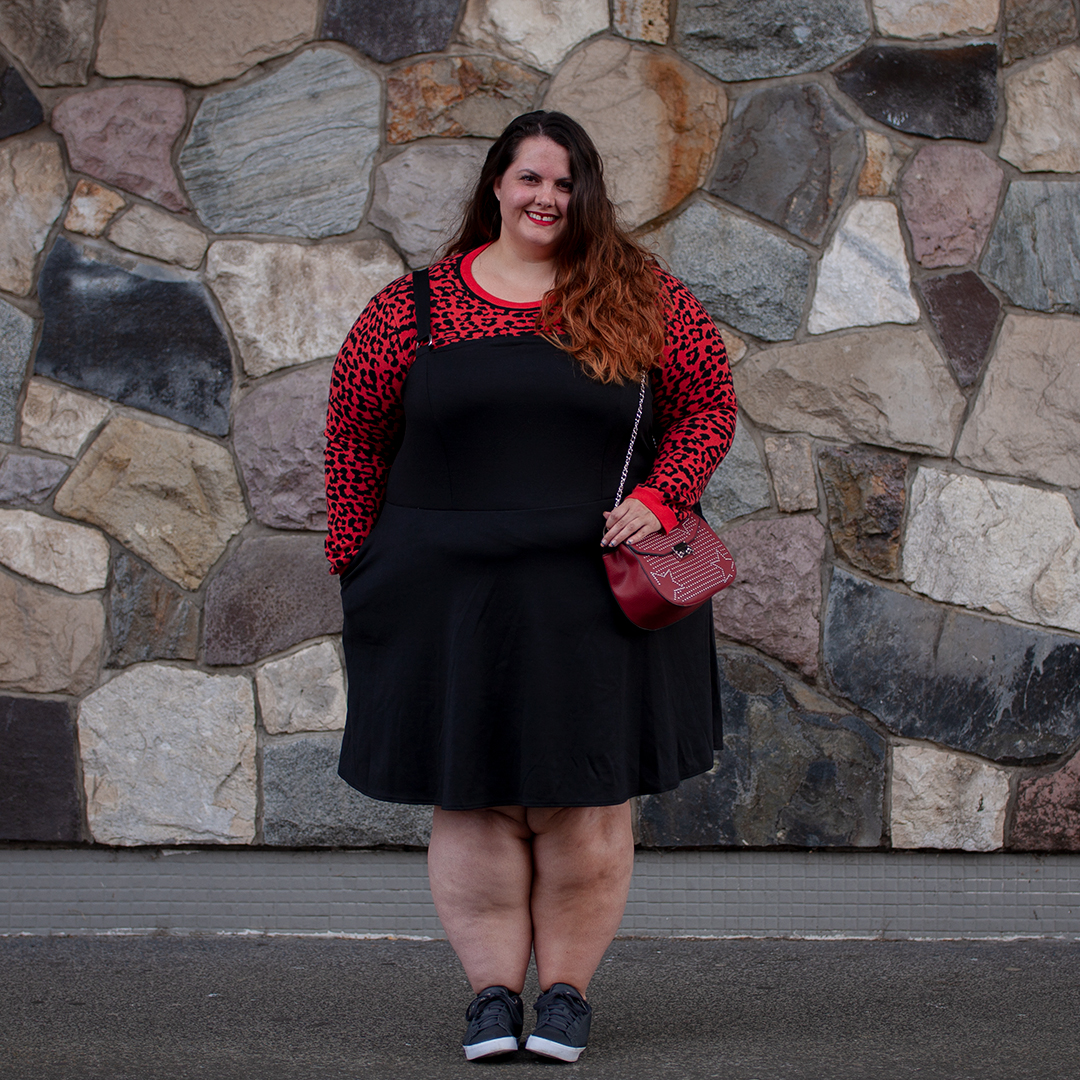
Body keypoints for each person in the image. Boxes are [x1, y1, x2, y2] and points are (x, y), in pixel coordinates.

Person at [324, 111, 737, 1063]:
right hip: (443, 593)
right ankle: (489, 998)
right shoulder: (413, 308)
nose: (546, 199)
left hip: (594, 588)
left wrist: (661, 493)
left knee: (585, 799)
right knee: (467, 797)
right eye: (528, 180)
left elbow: (708, 405)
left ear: (584, 193)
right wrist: (356, 562)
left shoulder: (637, 296)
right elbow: (352, 438)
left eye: (564, 183)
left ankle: (563, 996)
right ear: (497, 188)